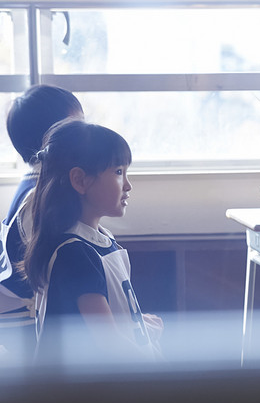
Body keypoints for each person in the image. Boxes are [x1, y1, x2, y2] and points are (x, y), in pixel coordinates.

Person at [20, 120, 162, 364]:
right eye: (118, 172)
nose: (128, 185)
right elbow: (108, 342)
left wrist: (139, 323)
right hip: (84, 396)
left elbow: (110, 317)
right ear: (80, 180)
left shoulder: (101, 239)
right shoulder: (75, 253)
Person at [1, 85, 84, 363]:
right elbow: (55, 266)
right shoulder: (40, 196)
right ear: (54, 138)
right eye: (78, 127)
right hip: (21, 317)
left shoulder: (35, 184)